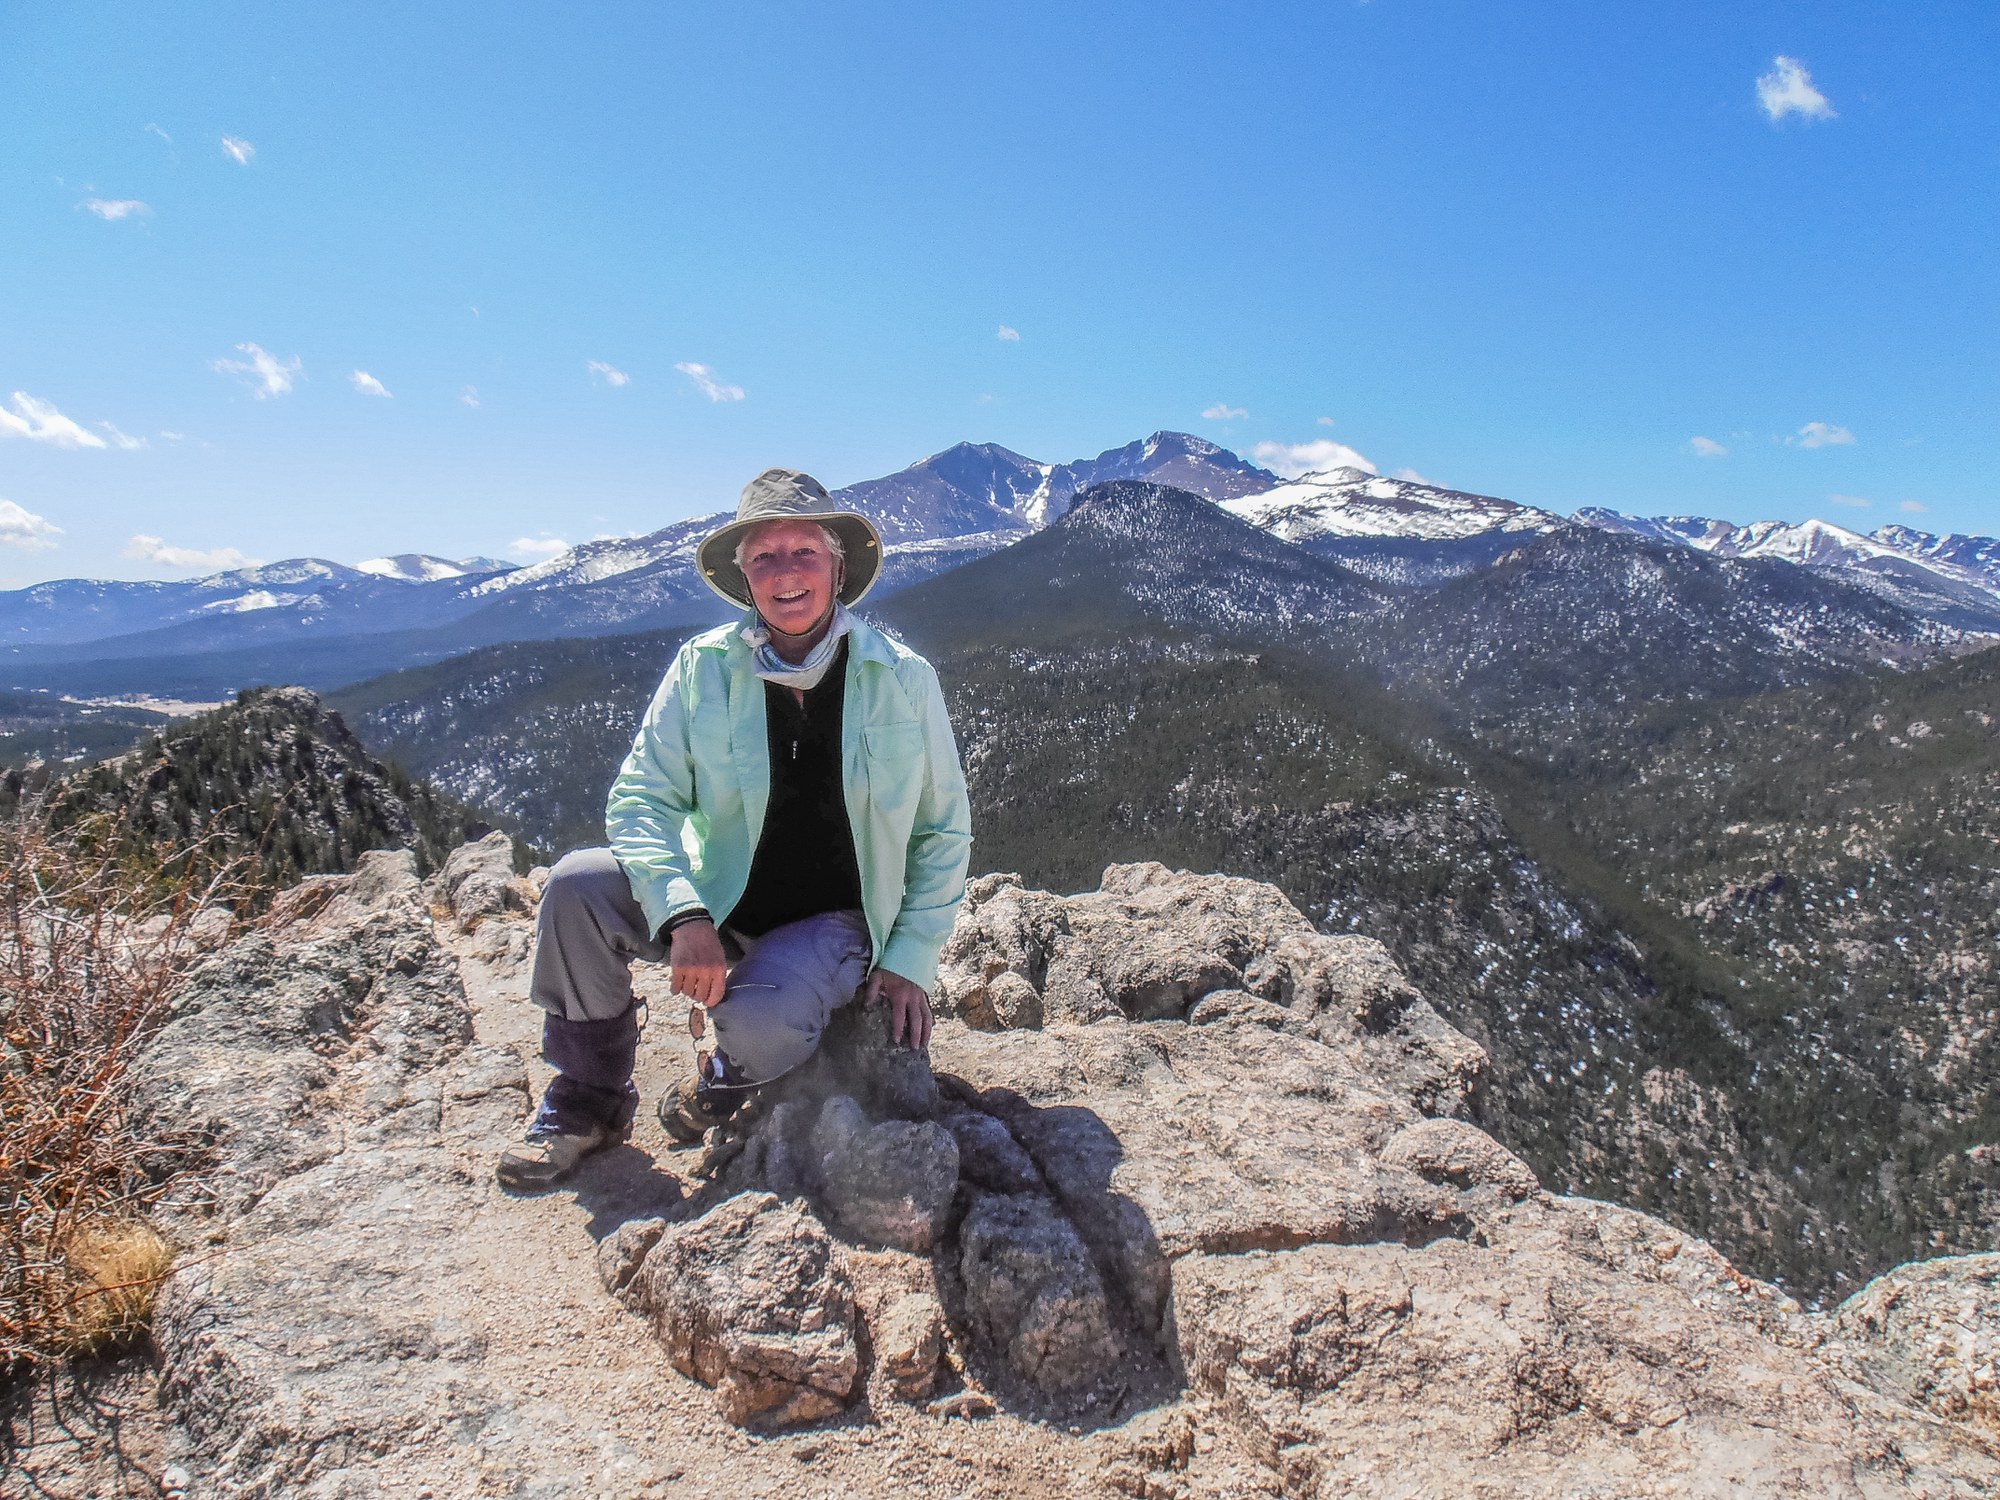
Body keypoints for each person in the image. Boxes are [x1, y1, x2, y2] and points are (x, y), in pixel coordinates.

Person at [497, 467, 972, 1188]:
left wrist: (910, 957)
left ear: (838, 568)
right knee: (574, 890)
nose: (785, 573)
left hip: (835, 922)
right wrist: (682, 911)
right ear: (745, 579)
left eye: (803, 552)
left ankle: (725, 1075)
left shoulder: (901, 678)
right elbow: (640, 799)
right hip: (717, 899)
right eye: (765, 558)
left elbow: (941, 829)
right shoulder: (703, 669)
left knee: (761, 1021)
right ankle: (587, 1097)